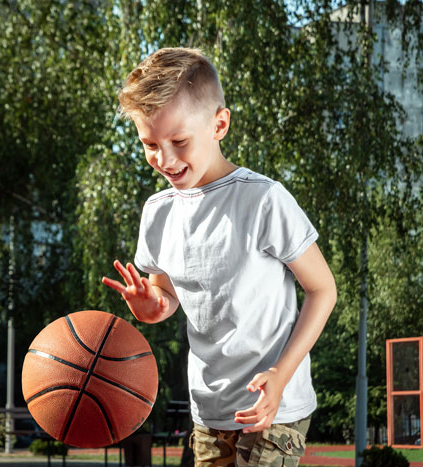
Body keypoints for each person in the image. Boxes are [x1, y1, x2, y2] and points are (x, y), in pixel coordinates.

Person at [102, 47, 337, 466]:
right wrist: (153, 307)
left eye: (178, 141)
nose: (165, 158)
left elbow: (323, 289)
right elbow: (166, 296)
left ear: (219, 124)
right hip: (208, 409)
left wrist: (281, 375)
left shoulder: (264, 200)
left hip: (274, 408)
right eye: (150, 144)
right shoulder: (158, 213)